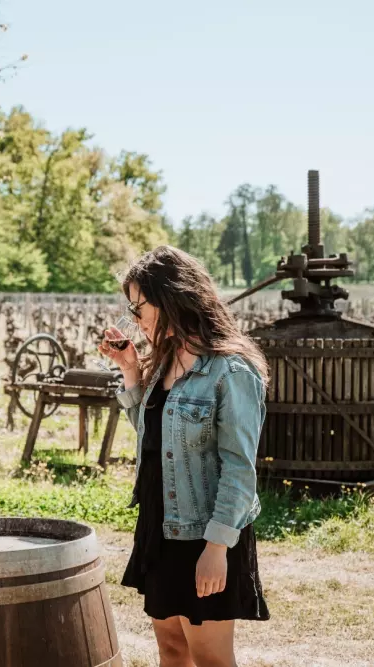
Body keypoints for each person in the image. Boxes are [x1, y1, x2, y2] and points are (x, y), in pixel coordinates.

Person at [99, 246, 270, 667]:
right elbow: (153, 437)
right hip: (160, 526)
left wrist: (216, 547)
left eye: (137, 306)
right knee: (171, 650)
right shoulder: (163, 362)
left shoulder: (232, 372)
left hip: (204, 533)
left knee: (210, 657)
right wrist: (132, 373)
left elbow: (239, 468)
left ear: (171, 299)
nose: (133, 318)